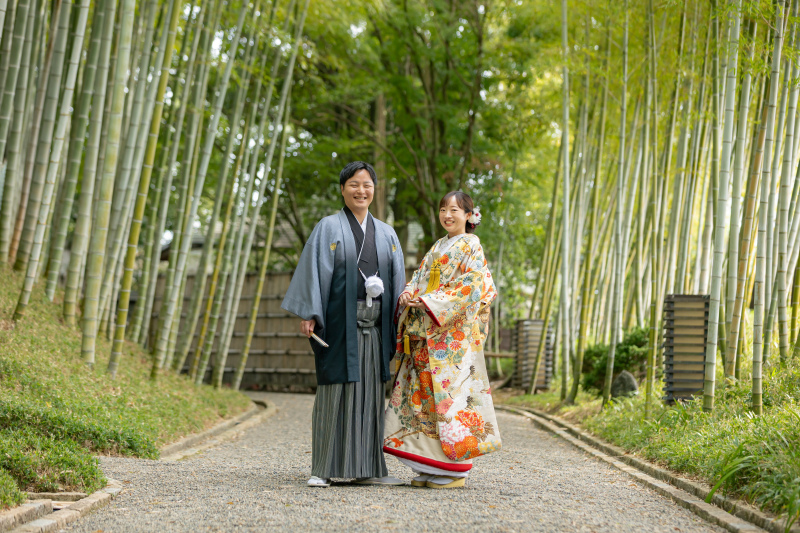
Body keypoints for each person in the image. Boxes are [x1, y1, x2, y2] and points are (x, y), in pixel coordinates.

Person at [282, 161, 406, 488]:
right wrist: (310, 313)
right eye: (354, 184)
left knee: (369, 397)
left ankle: (367, 468)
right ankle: (321, 468)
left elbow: (397, 281)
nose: (360, 190)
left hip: (375, 328)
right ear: (342, 189)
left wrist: (403, 318)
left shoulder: (387, 233)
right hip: (339, 326)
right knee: (334, 393)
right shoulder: (328, 227)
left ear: (374, 190)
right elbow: (314, 272)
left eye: (367, 185)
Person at [383, 191, 500, 489]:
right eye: (444, 209)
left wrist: (433, 301)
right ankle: (430, 464)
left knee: (449, 402)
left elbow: (474, 286)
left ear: (469, 216)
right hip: (425, 333)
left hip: (450, 338)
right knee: (424, 400)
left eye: (455, 210)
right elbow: (419, 276)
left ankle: (454, 470)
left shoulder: (472, 245)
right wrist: (409, 293)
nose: (448, 215)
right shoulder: (438, 245)